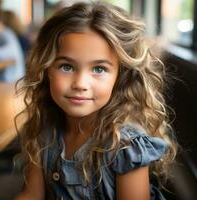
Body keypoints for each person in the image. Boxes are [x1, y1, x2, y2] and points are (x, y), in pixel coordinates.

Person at [14, 2, 178, 200]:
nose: (81, 84)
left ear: (120, 77)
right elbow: (31, 194)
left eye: (99, 69)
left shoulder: (126, 145)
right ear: (46, 69)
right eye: (66, 66)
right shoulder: (45, 128)